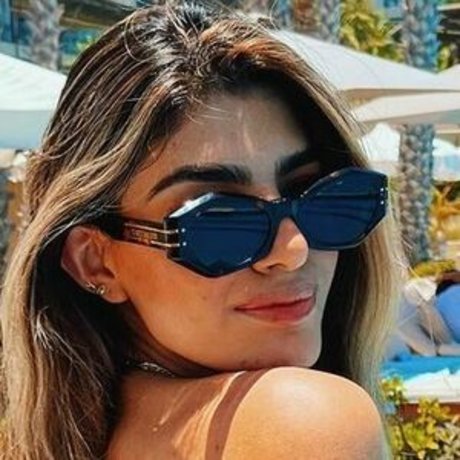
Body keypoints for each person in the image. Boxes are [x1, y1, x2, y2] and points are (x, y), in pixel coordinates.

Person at [0, 2, 403, 459]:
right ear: (96, 262)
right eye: (218, 221)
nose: (292, 249)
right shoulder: (301, 418)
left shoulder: (79, 439)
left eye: (324, 198)